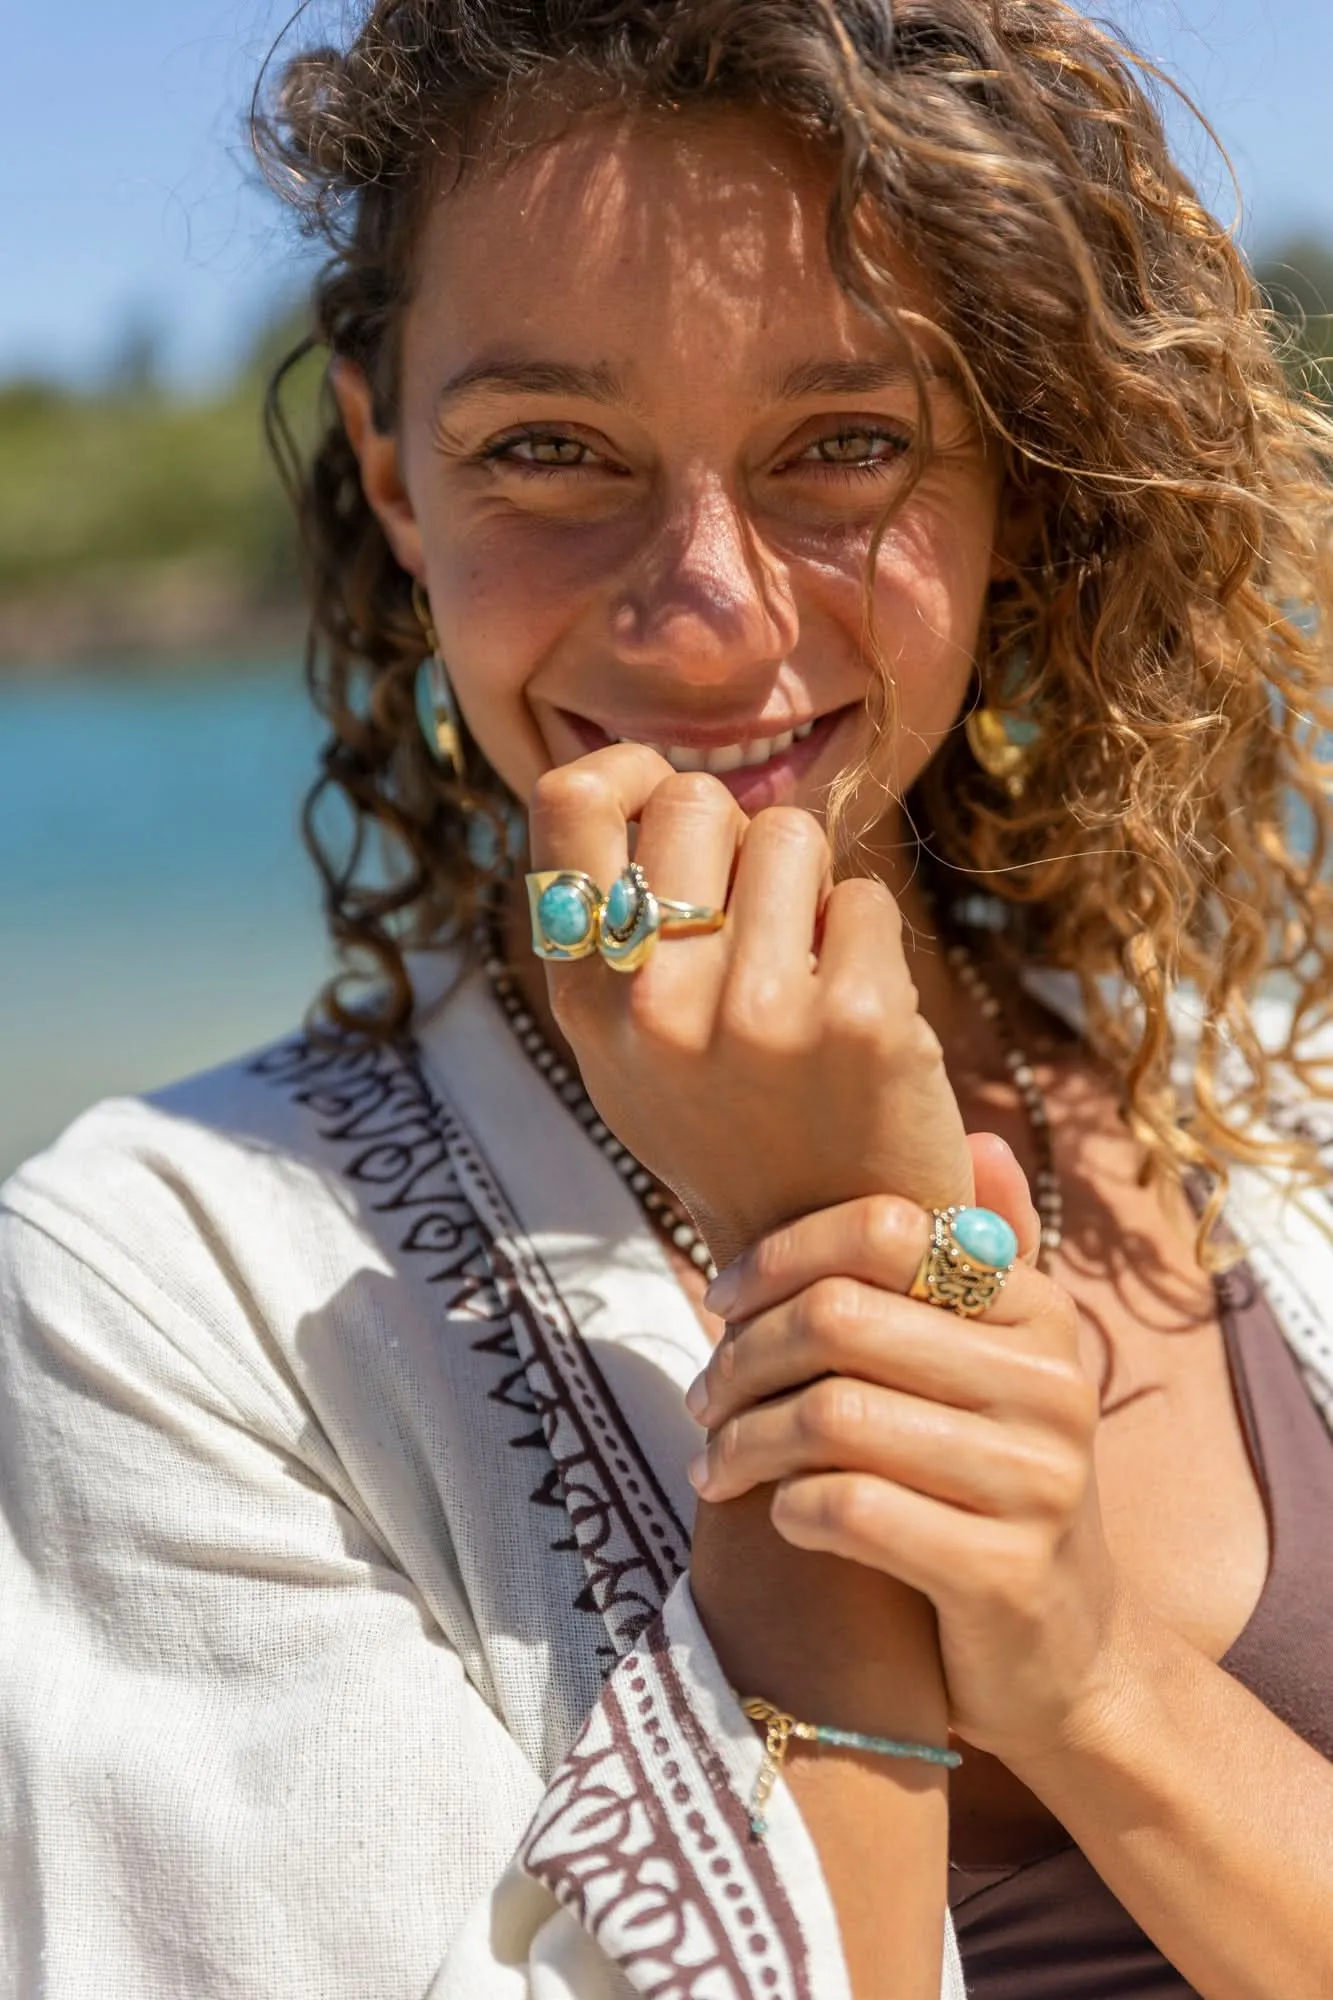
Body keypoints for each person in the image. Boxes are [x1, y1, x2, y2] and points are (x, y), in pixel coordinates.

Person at [3, 1, 1333, 1994]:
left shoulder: (1272, 1088)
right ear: (392, 476)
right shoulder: (146, 1291)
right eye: (548, 447)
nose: (709, 608)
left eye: (847, 445)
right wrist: (827, 1259)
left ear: (1011, 476)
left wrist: (1097, 1679)